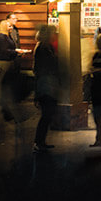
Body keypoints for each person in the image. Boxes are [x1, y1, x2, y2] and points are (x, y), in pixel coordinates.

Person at [32, 24, 59, 152]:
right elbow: (41, 68)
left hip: (48, 83)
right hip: (45, 84)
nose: (55, 35)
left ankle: (41, 141)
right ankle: (38, 142)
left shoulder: (46, 47)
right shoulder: (43, 48)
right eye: (53, 33)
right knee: (46, 114)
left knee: (47, 114)